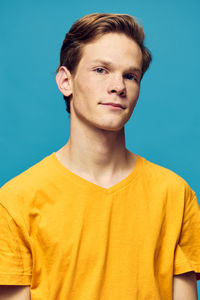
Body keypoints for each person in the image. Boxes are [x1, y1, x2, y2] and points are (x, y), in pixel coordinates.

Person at [0, 13, 199, 300]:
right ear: (65, 81)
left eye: (130, 76)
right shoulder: (15, 201)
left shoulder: (175, 194)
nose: (118, 86)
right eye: (101, 70)